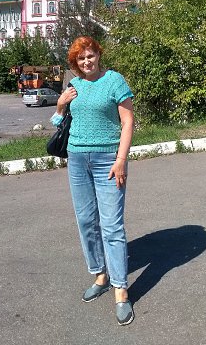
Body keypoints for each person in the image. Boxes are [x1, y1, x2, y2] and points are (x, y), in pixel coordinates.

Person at [51, 36, 135, 326]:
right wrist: (60, 106)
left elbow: (128, 121)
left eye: (90, 55)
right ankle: (100, 275)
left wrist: (121, 159)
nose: (86, 61)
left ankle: (121, 289)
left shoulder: (114, 81)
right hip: (77, 160)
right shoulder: (73, 85)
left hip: (108, 161)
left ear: (98, 55)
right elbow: (58, 124)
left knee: (112, 225)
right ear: (75, 62)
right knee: (86, 221)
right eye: (81, 58)